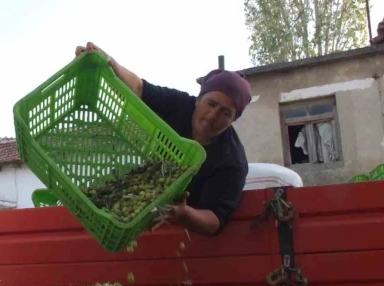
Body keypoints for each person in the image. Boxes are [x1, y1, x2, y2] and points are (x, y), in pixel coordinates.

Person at [75, 42, 252, 237]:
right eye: (211, 104)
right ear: (198, 99)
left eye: (225, 112)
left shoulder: (232, 161)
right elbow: (139, 88)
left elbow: (214, 220)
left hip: (182, 234)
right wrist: (107, 61)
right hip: (142, 201)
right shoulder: (179, 105)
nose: (212, 116)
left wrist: (184, 214)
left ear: (234, 119)